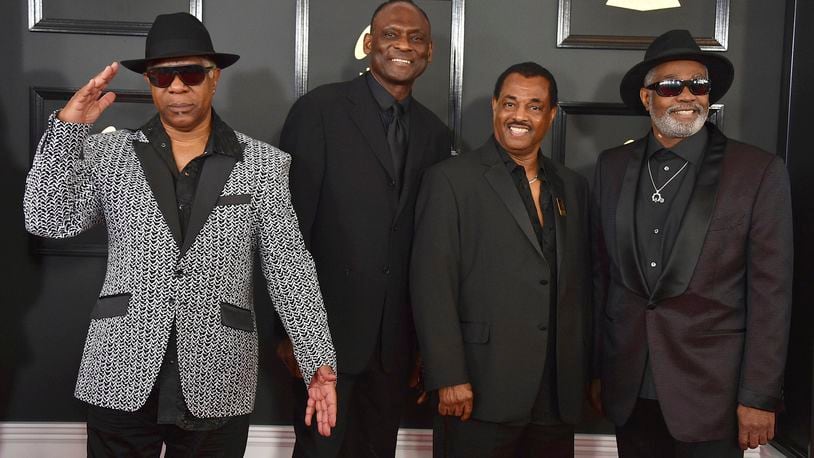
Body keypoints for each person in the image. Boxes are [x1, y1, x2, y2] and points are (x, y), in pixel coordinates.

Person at [23, 12, 337, 457]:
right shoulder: (108, 153)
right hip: (119, 369)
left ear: (214, 78)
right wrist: (68, 129)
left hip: (220, 373)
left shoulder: (263, 165)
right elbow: (47, 218)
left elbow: (290, 270)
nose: (176, 88)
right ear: (150, 82)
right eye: (162, 76)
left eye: (190, 74)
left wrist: (317, 361)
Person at [589, 29, 793, 457]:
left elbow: (771, 294)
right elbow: (598, 277)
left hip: (712, 395)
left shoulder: (757, 171)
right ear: (647, 98)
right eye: (670, 85)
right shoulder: (610, 167)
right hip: (629, 388)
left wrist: (758, 396)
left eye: (698, 85)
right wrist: (596, 371)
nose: (687, 95)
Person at [276, 0, 451, 455]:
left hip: (394, 349)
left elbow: (426, 246)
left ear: (429, 52)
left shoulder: (434, 134)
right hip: (323, 339)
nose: (403, 46)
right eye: (392, 35)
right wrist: (290, 333)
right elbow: (285, 231)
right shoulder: (319, 110)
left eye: (415, 38)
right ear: (370, 43)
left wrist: (420, 344)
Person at [410, 62, 592, 458]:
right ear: (494, 106)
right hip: (479, 387)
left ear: (551, 114)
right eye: (510, 103)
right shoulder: (450, 180)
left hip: (556, 395)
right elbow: (432, 284)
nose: (520, 116)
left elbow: (581, 287)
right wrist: (449, 375)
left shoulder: (572, 186)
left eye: (534, 106)